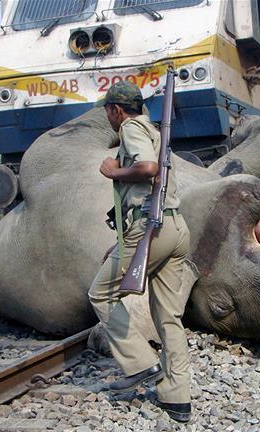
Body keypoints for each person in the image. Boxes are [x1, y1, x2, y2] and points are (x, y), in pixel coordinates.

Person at [87, 81, 192, 422]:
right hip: (175, 229)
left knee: (100, 293)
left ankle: (141, 362)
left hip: (151, 228)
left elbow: (148, 168)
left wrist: (112, 171)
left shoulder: (131, 128)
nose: (108, 117)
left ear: (116, 110)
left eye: (107, 110)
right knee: (169, 318)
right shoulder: (155, 131)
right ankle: (177, 398)